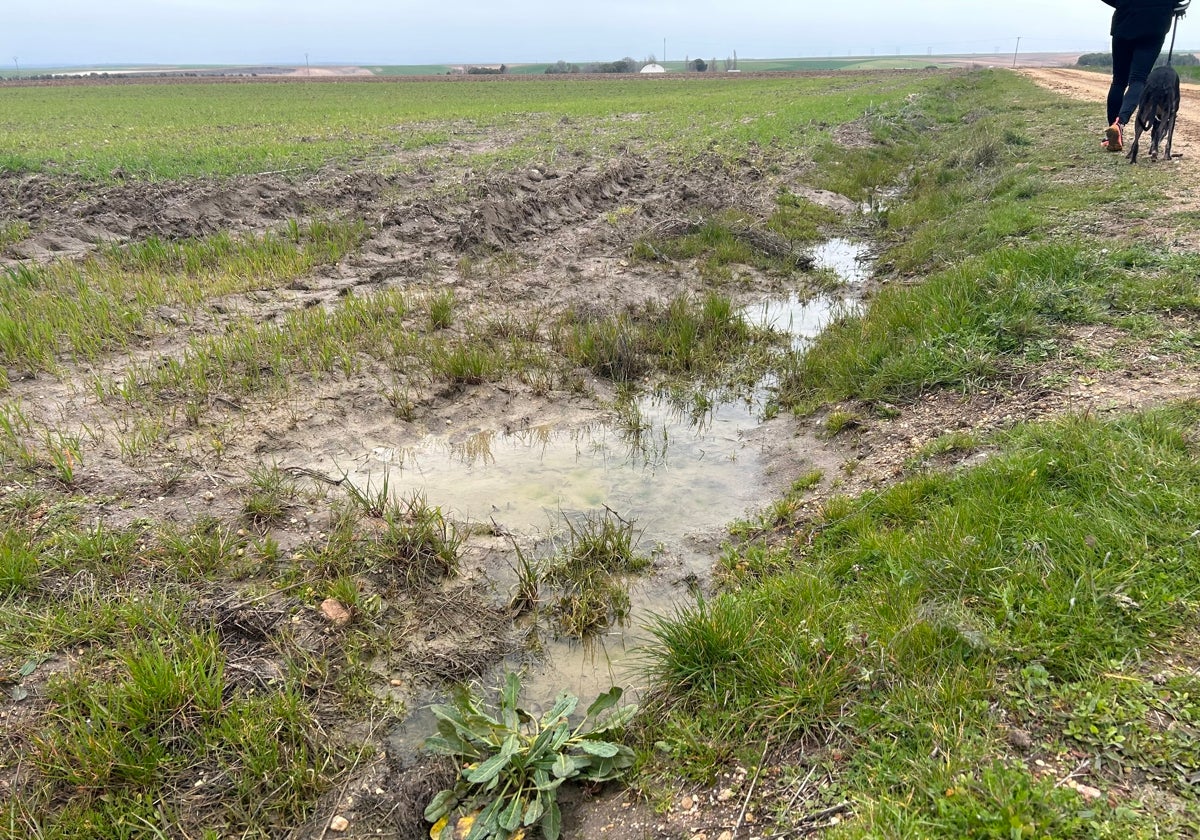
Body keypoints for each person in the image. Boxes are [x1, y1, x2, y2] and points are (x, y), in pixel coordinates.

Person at [1101, 0, 1190, 151]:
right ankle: (1120, 123)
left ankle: (1113, 132)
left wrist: (1123, 3)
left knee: (1118, 80)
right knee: (1138, 78)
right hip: (1155, 24)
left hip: (1125, 21)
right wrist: (1173, 6)